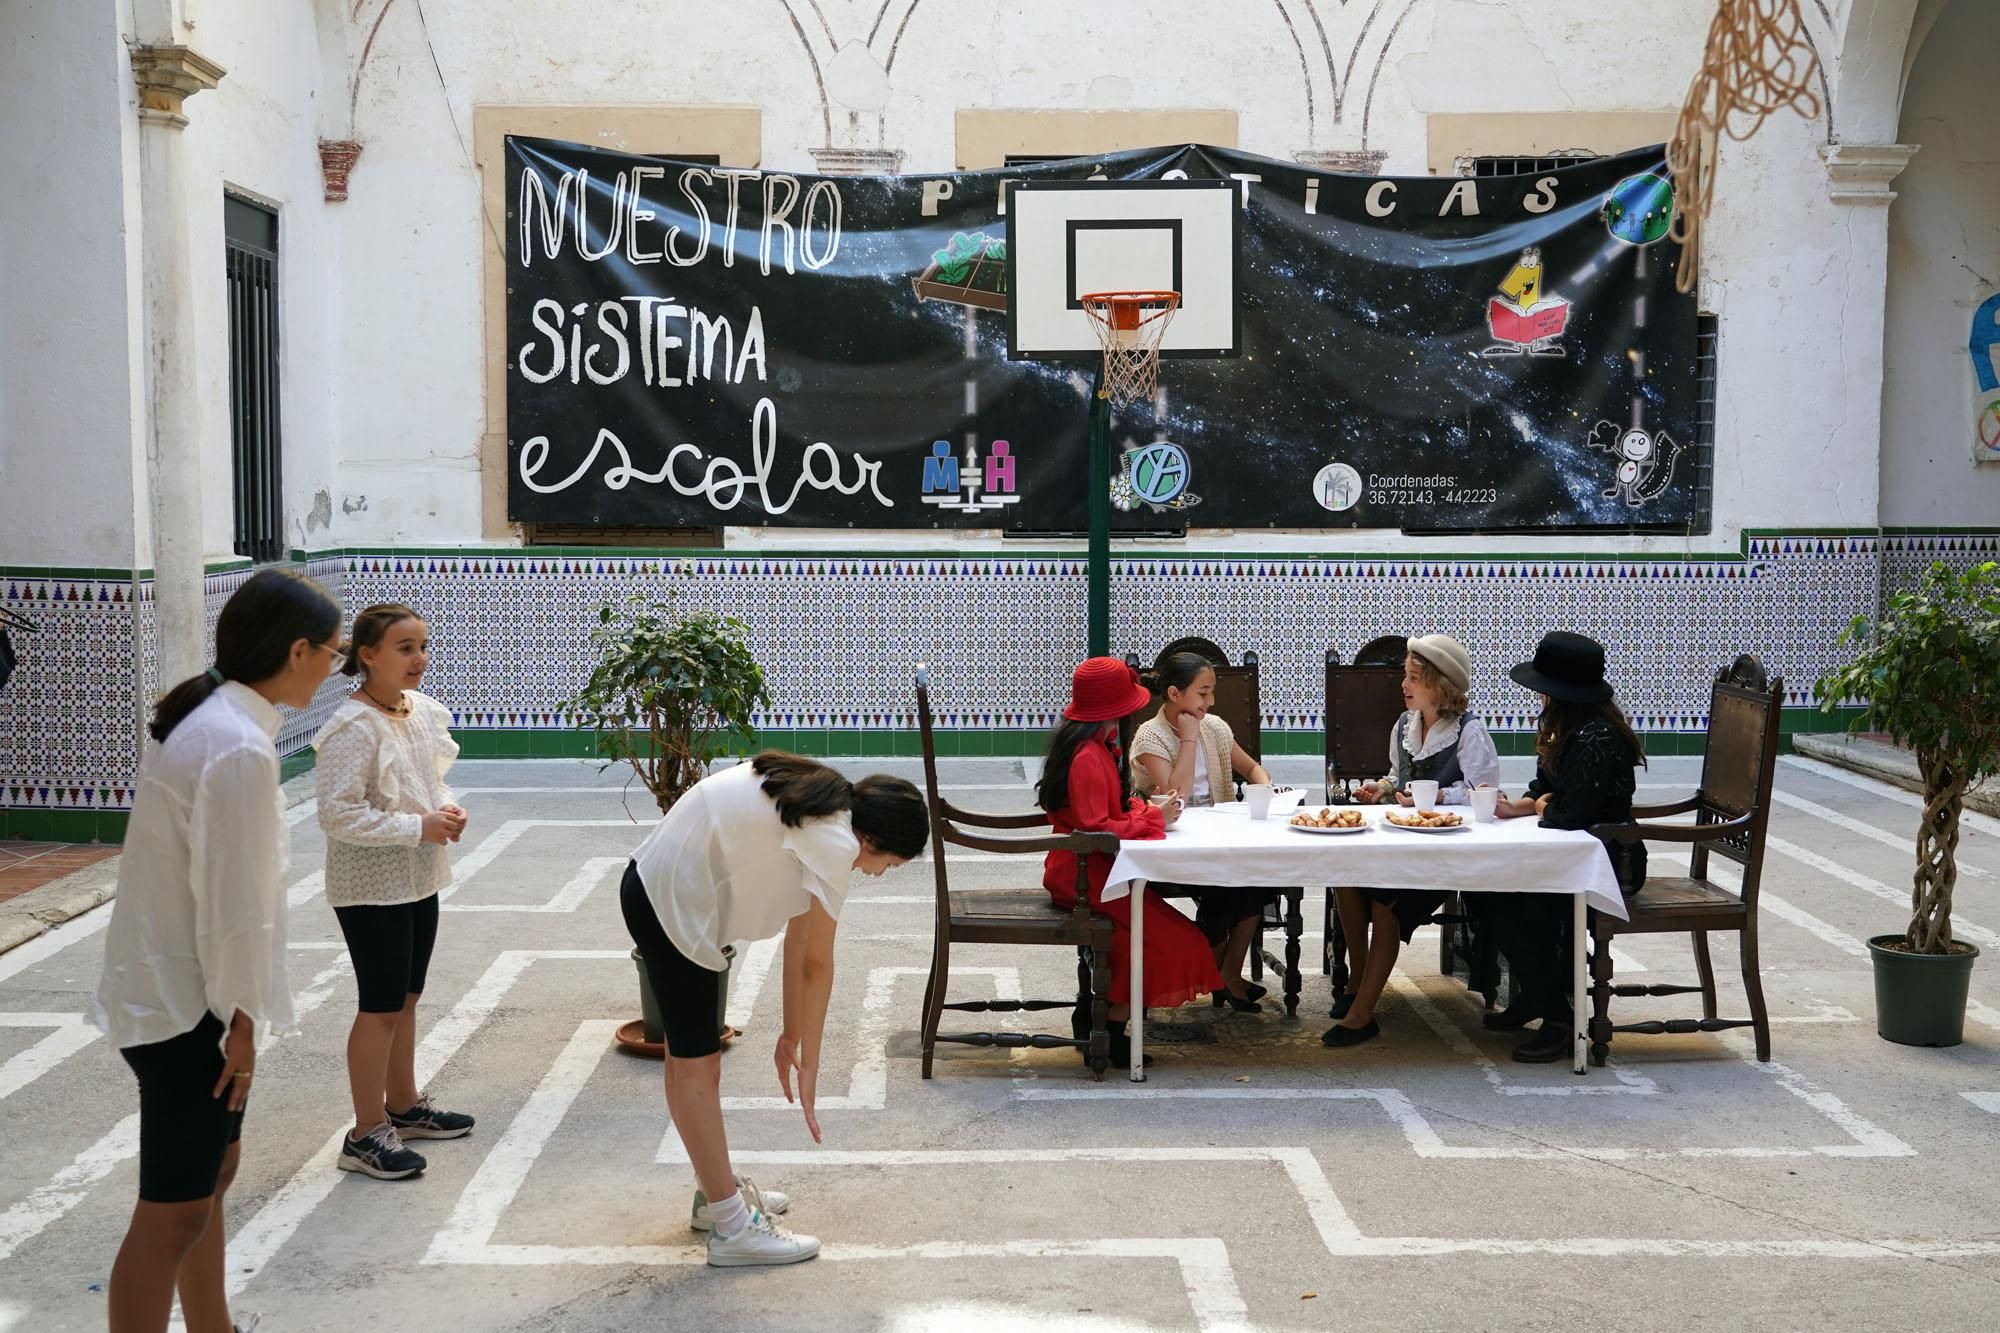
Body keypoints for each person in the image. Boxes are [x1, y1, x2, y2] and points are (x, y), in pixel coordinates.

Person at [91, 568, 343, 1333]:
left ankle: (213, 1324)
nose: (334, 669)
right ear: (297, 650)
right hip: (187, 1009)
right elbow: (234, 911)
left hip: (173, 992)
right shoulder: (235, 746)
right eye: (332, 653)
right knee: (172, 1214)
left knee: (212, 1176)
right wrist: (242, 1023)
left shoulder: (215, 720)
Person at [621, 752, 928, 1267]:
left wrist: (792, 1037)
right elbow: (816, 964)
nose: (878, 874)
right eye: (890, 866)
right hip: (673, 905)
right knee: (698, 1069)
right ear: (873, 841)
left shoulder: (828, 804)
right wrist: (812, 1065)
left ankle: (714, 1197)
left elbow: (799, 937)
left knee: (687, 1060)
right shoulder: (836, 842)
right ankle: (733, 1230)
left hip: (657, 889)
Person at [313, 604, 473, 1181]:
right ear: (367, 655)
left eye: (423, 646)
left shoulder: (420, 712)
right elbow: (336, 814)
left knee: (407, 996)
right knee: (379, 1006)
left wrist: (446, 809)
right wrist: (417, 827)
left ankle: (403, 1108)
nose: (419, 659)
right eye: (404, 648)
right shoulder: (352, 727)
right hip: (369, 885)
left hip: (418, 875)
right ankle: (364, 1132)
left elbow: (428, 780)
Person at [1038, 657, 1225, 1068]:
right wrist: (1153, 818)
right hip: (1086, 876)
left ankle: (1104, 1026)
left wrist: (1143, 813)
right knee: (1177, 942)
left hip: (1096, 873)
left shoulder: (1093, 747)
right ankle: (1108, 1025)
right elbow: (1096, 831)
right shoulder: (1089, 756)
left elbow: (1103, 819)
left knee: (1137, 943)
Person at [1327, 634, 1500, 1048]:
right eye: (1405, 677)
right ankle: (1357, 980)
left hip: (1443, 853)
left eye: (1412, 679)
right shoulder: (1404, 725)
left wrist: (1442, 796)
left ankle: (1362, 1014)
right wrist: (1381, 789)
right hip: (1400, 841)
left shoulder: (1469, 732)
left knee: (1386, 903)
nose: (1403, 686)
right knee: (1346, 881)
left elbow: (1486, 791)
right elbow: (1396, 776)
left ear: (1439, 685)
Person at [1487, 631, 1648, 1063]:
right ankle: (1538, 997)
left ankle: (1560, 1019)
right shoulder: (1567, 728)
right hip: (1573, 853)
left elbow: (1569, 812)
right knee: (1487, 894)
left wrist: (1541, 805)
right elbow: (1546, 792)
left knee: (1528, 908)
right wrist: (1517, 806)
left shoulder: (1597, 737)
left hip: (1610, 858)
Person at [1129, 651, 1279, 1011]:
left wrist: (1266, 789)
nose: (1210, 702)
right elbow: (1173, 800)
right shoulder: (1150, 737)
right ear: (1175, 694)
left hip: (1218, 838)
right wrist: (1188, 737)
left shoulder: (1216, 727)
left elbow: (1252, 768)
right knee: (1228, 888)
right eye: (1203, 693)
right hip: (1172, 846)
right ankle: (1217, 975)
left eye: (1212, 693)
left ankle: (1225, 974)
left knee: (1258, 880)